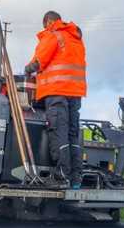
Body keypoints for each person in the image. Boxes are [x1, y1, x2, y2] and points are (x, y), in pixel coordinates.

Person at [25, 11, 87, 189]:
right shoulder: (76, 38)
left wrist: (27, 69)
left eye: (45, 25)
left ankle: (61, 177)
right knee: (72, 135)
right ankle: (76, 178)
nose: (45, 28)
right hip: (75, 93)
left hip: (57, 91)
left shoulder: (53, 34)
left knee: (58, 132)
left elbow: (38, 61)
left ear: (49, 21)